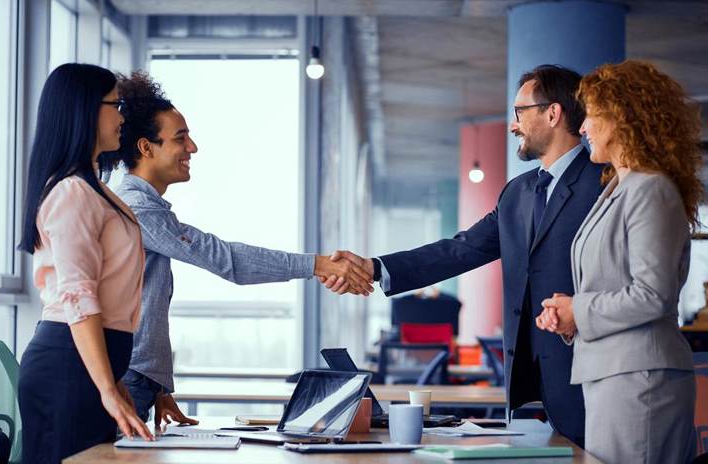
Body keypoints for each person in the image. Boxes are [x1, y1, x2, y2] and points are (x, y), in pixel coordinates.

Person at [322, 65, 605, 446]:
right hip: (530, 387)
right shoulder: (517, 193)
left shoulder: (603, 183)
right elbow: (460, 250)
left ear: (553, 114)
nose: (512, 125)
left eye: (520, 112)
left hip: (592, 378)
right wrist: (374, 268)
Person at [98, 71, 373, 426]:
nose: (192, 147)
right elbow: (227, 260)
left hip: (139, 381)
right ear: (146, 148)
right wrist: (319, 264)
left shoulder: (141, 209)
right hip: (128, 380)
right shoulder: (138, 210)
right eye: (181, 138)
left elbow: (140, 301)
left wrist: (159, 388)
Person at [536, 60, 699, 463]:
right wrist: (568, 315)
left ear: (623, 117)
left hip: (640, 379)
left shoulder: (651, 190)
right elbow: (613, 284)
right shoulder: (618, 188)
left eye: (591, 115)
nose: (584, 126)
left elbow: (652, 295)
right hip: (614, 374)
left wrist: (581, 309)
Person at [17, 63, 153, 464]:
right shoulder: (72, 193)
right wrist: (106, 388)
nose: (122, 116)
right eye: (116, 104)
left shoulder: (94, 191)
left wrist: (111, 380)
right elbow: (78, 297)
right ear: (85, 110)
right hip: (67, 365)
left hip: (87, 362)